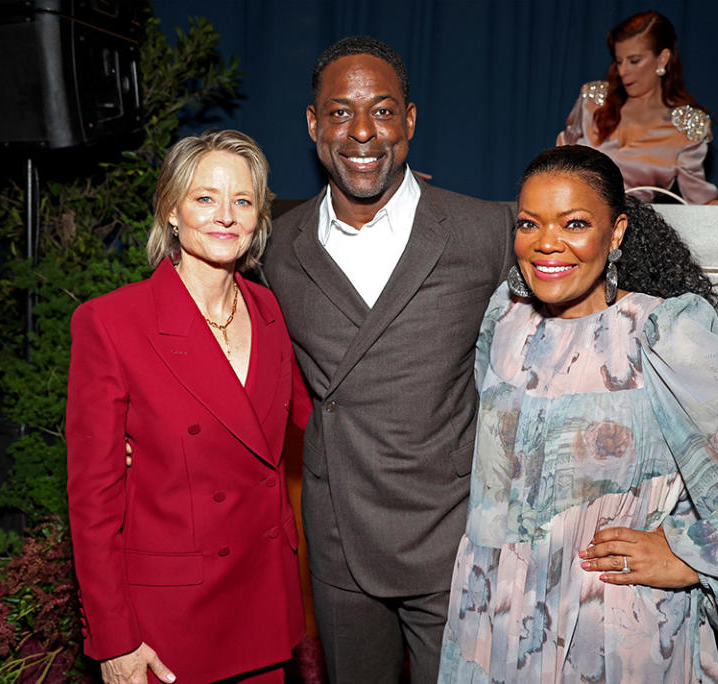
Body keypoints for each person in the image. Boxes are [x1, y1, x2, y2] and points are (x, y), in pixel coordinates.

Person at [437, 145, 718, 682]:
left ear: (617, 231)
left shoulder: (659, 332)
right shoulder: (504, 318)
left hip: (606, 631)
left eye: (574, 223)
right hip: (491, 616)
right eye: (530, 223)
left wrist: (689, 555)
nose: (546, 243)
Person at [262, 36, 514, 684]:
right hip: (340, 532)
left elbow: (586, 314)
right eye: (341, 113)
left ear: (409, 120)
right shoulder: (275, 245)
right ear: (314, 125)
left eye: (381, 110)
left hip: (454, 533)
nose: (363, 132)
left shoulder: (484, 229)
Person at [66, 129, 311, 684]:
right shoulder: (111, 324)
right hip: (168, 625)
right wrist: (114, 640)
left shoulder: (270, 311)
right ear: (171, 211)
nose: (225, 216)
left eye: (242, 201)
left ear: (259, 217)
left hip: (263, 604)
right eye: (205, 198)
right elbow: (92, 502)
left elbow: (317, 420)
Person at [557, 10, 718, 204]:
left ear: (662, 59)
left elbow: (701, 200)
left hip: (635, 229)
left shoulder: (686, 126)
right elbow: (558, 163)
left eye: (634, 61)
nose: (623, 71)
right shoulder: (594, 100)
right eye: (619, 61)